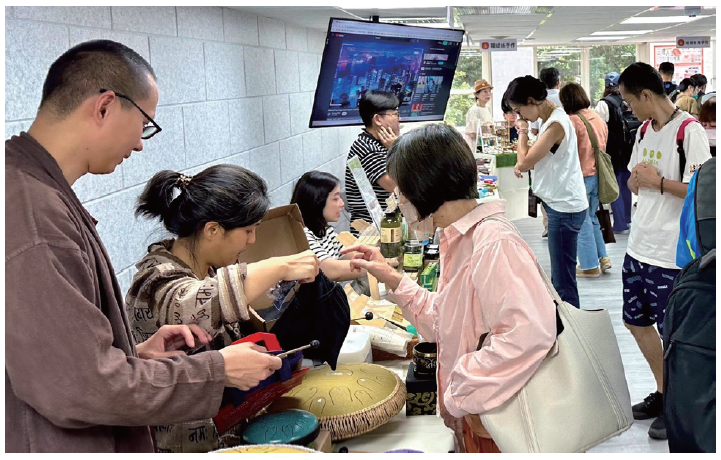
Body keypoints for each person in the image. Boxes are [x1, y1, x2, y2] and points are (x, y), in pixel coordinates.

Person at [5, 40, 287, 453]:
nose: (140, 144)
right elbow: (81, 387)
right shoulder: (33, 215)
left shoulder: (36, 192)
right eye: (144, 124)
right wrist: (217, 370)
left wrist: (133, 354)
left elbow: (55, 363)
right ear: (105, 107)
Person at [341, 124, 557, 453]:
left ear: (425, 187)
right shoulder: (458, 237)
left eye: (401, 191)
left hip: (500, 422)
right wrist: (392, 277)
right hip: (480, 413)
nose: (398, 201)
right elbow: (448, 321)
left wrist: (459, 390)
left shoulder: (492, 241)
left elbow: (529, 334)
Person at [125, 165, 320, 451]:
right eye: (248, 231)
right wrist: (280, 266)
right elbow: (192, 307)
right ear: (213, 230)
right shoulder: (155, 279)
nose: (252, 241)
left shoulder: (207, 268)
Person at [618, 62, 711, 440]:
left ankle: (678, 404)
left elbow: (702, 191)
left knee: (672, 334)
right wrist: (640, 182)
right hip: (638, 246)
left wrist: (657, 182)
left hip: (671, 253)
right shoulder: (643, 130)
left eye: (629, 101)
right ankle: (663, 391)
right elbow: (636, 180)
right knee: (635, 322)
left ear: (646, 95)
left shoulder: (690, 132)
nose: (628, 108)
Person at [505, 75, 589, 308]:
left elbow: (524, 162)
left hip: (564, 208)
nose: (521, 117)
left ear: (531, 101)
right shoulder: (551, 119)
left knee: (563, 282)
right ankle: (565, 321)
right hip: (560, 204)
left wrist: (522, 132)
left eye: (519, 111)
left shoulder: (555, 125)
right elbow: (537, 158)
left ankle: (569, 325)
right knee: (561, 277)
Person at [560, 83, 611, 277]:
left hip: (580, 177)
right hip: (598, 176)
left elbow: (566, 151)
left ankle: (589, 266)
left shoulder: (572, 121)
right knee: (591, 217)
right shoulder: (597, 118)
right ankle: (603, 257)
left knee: (581, 221)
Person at [290, 170, 368, 282]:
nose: (342, 203)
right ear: (317, 201)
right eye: (335, 199)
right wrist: (376, 267)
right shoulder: (303, 235)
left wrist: (376, 259)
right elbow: (332, 271)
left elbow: (348, 255)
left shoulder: (325, 230)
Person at [344, 90, 399, 234]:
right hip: (370, 231)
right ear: (378, 119)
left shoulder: (381, 144)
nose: (399, 119)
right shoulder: (368, 148)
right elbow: (393, 184)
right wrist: (397, 149)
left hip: (384, 227)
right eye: (395, 114)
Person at [595, 71, 635, 234]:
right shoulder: (628, 101)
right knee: (626, 185)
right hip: (629, 149)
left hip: (612, 151)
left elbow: (599, 129)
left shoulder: (604, 104)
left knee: (615, 186)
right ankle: (627, 219)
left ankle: (619, 224)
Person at [531, 67, 564, 237]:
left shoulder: (538, 101)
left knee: (546, 187)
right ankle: (560, 221)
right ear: (558, 82)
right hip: (564, 149)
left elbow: (534, 130)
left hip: (543, 149)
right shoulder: (565, 98)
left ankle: (548, 224)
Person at [464, 79, 494, 152]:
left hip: (486, 146)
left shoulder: (487, 108)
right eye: (485, 91)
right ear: (477, 95)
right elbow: (472, 133)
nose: (488, 94)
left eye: (489, 91)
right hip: (475, 147)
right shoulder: (474, 110)